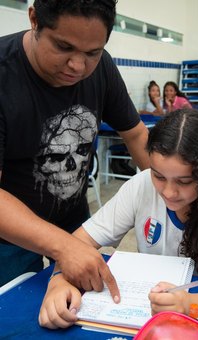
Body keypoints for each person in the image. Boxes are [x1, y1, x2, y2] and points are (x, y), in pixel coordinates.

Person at [39, 109, 198, 329]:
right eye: (159, 176)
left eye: (185, 181)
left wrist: (191, 306)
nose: (168, 192)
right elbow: (78, 243)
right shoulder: (141, 186)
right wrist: (58, 282)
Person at [0, 0, 150, 289]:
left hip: (74, 221)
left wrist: (173, 189)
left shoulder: (102, 68)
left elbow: (136, 135)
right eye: (63, 47)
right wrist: (63, 246)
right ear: (34, 19)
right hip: (8, 238)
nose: (78, 66)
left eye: (92, 52)